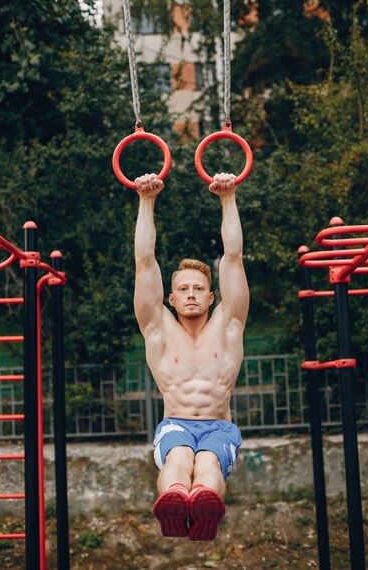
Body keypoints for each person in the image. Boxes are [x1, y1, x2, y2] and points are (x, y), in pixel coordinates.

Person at [133, 171, 249, 541]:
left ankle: (205, 510)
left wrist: (228, 197)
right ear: (171, 298)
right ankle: (173, 501)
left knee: (209, 462)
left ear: (212, 296)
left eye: (199, 288)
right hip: (176, 423)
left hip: (220, 425)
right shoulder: (157, 329)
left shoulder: (229, 324)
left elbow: (233, 256)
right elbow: (144, 261)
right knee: (180, 459)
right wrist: (146, 200)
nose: (192, 294)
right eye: (183, 289)